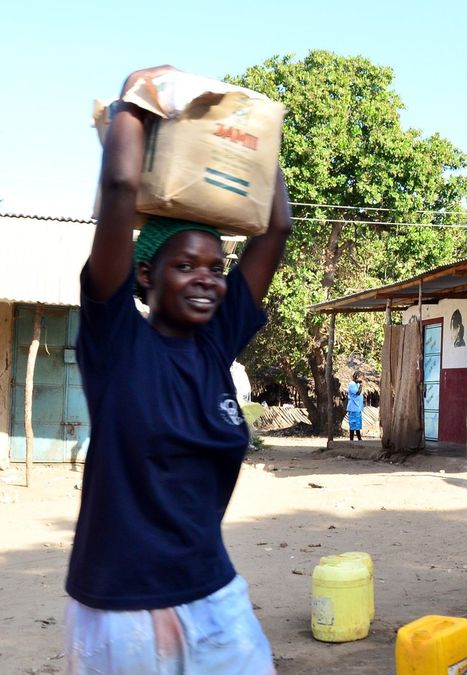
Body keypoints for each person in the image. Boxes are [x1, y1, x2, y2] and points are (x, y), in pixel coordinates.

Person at [63, 65, 292, 674]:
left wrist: (257, 134)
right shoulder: (114, 340)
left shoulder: (215, 347)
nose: (207, 280)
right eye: (186, 265)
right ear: (145, 275)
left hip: (212, 589)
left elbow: (276, 230)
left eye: (216, 267)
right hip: (123, 606)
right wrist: (140, 98)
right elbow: (118, 190)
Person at [346, 370, 364, 441]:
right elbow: (357, 393)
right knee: (353, 423)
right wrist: (361, 385)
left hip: (357, 407)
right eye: (361, 377)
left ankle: (359, 439)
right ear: (357, 376)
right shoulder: (352, 384)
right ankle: (352, 439)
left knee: (357, 424)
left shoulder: (357, 384)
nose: (362, 379)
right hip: (353, 407)